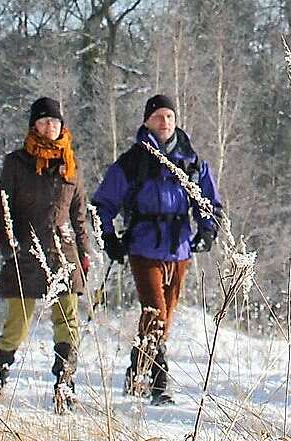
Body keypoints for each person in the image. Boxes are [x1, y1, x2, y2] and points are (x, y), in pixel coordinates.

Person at [92, 94, 223, 405]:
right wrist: (109, 238)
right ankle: (160, 384)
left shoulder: (192, 161)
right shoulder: (132, 162)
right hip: (143, 245)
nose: (165, 123)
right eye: (158, 117)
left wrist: (208, 230)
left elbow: (209, 203)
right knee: (156, 314)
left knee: (165, 319)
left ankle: (136, 369)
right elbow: (102, 205)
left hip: (179, 248)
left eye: (169, 117)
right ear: (147, 121)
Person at [0, 96, 92, 413]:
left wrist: (84, 255)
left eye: (55, 122)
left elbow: (79, 215)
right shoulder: (16, 163)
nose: (50, 127)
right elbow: (1, 211)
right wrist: (9, 248)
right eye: (44, 122)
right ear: (34, 126)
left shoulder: (71, 165)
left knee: (68, 323)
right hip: (25, 254)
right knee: (18, 324)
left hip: (63, 253)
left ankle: (64, 385)